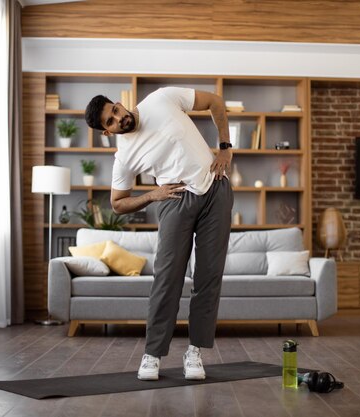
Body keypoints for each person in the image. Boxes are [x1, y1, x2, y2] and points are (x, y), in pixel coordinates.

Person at [84, 87, 234, 381]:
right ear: (106, 132)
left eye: (115, 111)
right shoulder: (124, 157)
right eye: (110, 122)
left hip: (215, 189)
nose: (119, 119)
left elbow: (215, 101)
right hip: (174, 201)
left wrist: (225, 147)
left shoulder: (161, 98)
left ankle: (195, 352)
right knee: (167, 278)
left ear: (118, 104)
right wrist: (151, 195)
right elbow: (117, 203)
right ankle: (152, 354)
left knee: (209, 276)